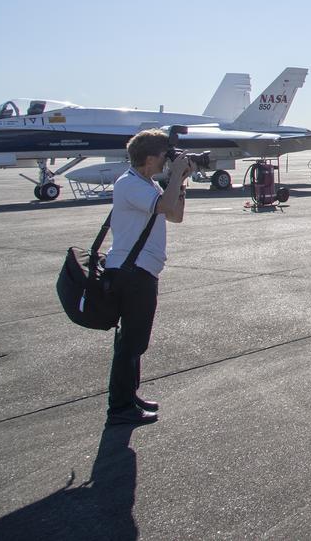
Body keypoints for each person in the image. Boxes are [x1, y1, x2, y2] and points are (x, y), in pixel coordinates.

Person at [104, 129, 194, 425]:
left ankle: (128, 396)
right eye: (163, 158)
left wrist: (179, 180)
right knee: (131, 342)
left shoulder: (147, 184)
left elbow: (176, 215)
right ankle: (120, 407)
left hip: (141, 271)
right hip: (133, 273)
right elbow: (168, 208)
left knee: (135, 340)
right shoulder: (130, 184)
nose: (165, 162)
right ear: (149, 158)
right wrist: (177, 174)